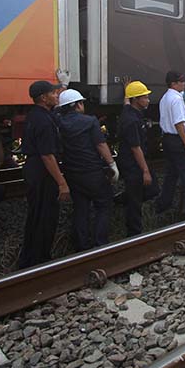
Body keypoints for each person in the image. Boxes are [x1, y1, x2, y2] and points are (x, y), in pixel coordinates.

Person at [56, 89, 118, 251]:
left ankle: (81, 247)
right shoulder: (90, 121)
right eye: (81, 102)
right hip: (92, 171)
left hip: (72, 173)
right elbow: (100, 144)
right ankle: (100, 243)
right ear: (77, 105)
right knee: (104, 204)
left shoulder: (59, 123)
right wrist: (112, 165)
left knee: (81, 209)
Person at [18, 80, 68, 269]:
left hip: (34, 168)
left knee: (35, 216)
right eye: (53, 93)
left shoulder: (37, 115)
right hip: (42, 171)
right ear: (43, 97)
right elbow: (47, 155)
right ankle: (40, 262)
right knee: (45, 217)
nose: (56, 95)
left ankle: (30, 260)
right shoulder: (44, 121)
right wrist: (62, 183)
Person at [157, 71, 185, 219]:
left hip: (168, 140)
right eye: (181, 81)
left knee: (172, 174)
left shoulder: (165, 97)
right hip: (178, 140)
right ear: (173, 84)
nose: (184, 83)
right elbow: (179, 122)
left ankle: (163, 204)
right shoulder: (176, 99)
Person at [117, 80, 157, 236]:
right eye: (144, 97)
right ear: (136, 100)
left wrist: (126, 89)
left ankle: (123, 197)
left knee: (152, 190)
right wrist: (145, 171)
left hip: (132, 162)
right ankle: (134, 233)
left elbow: (126, 103)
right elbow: (136, 148)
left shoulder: (128, 111)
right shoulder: (132, 121)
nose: (147, 100)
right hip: (132, 164)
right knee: (135, 201)